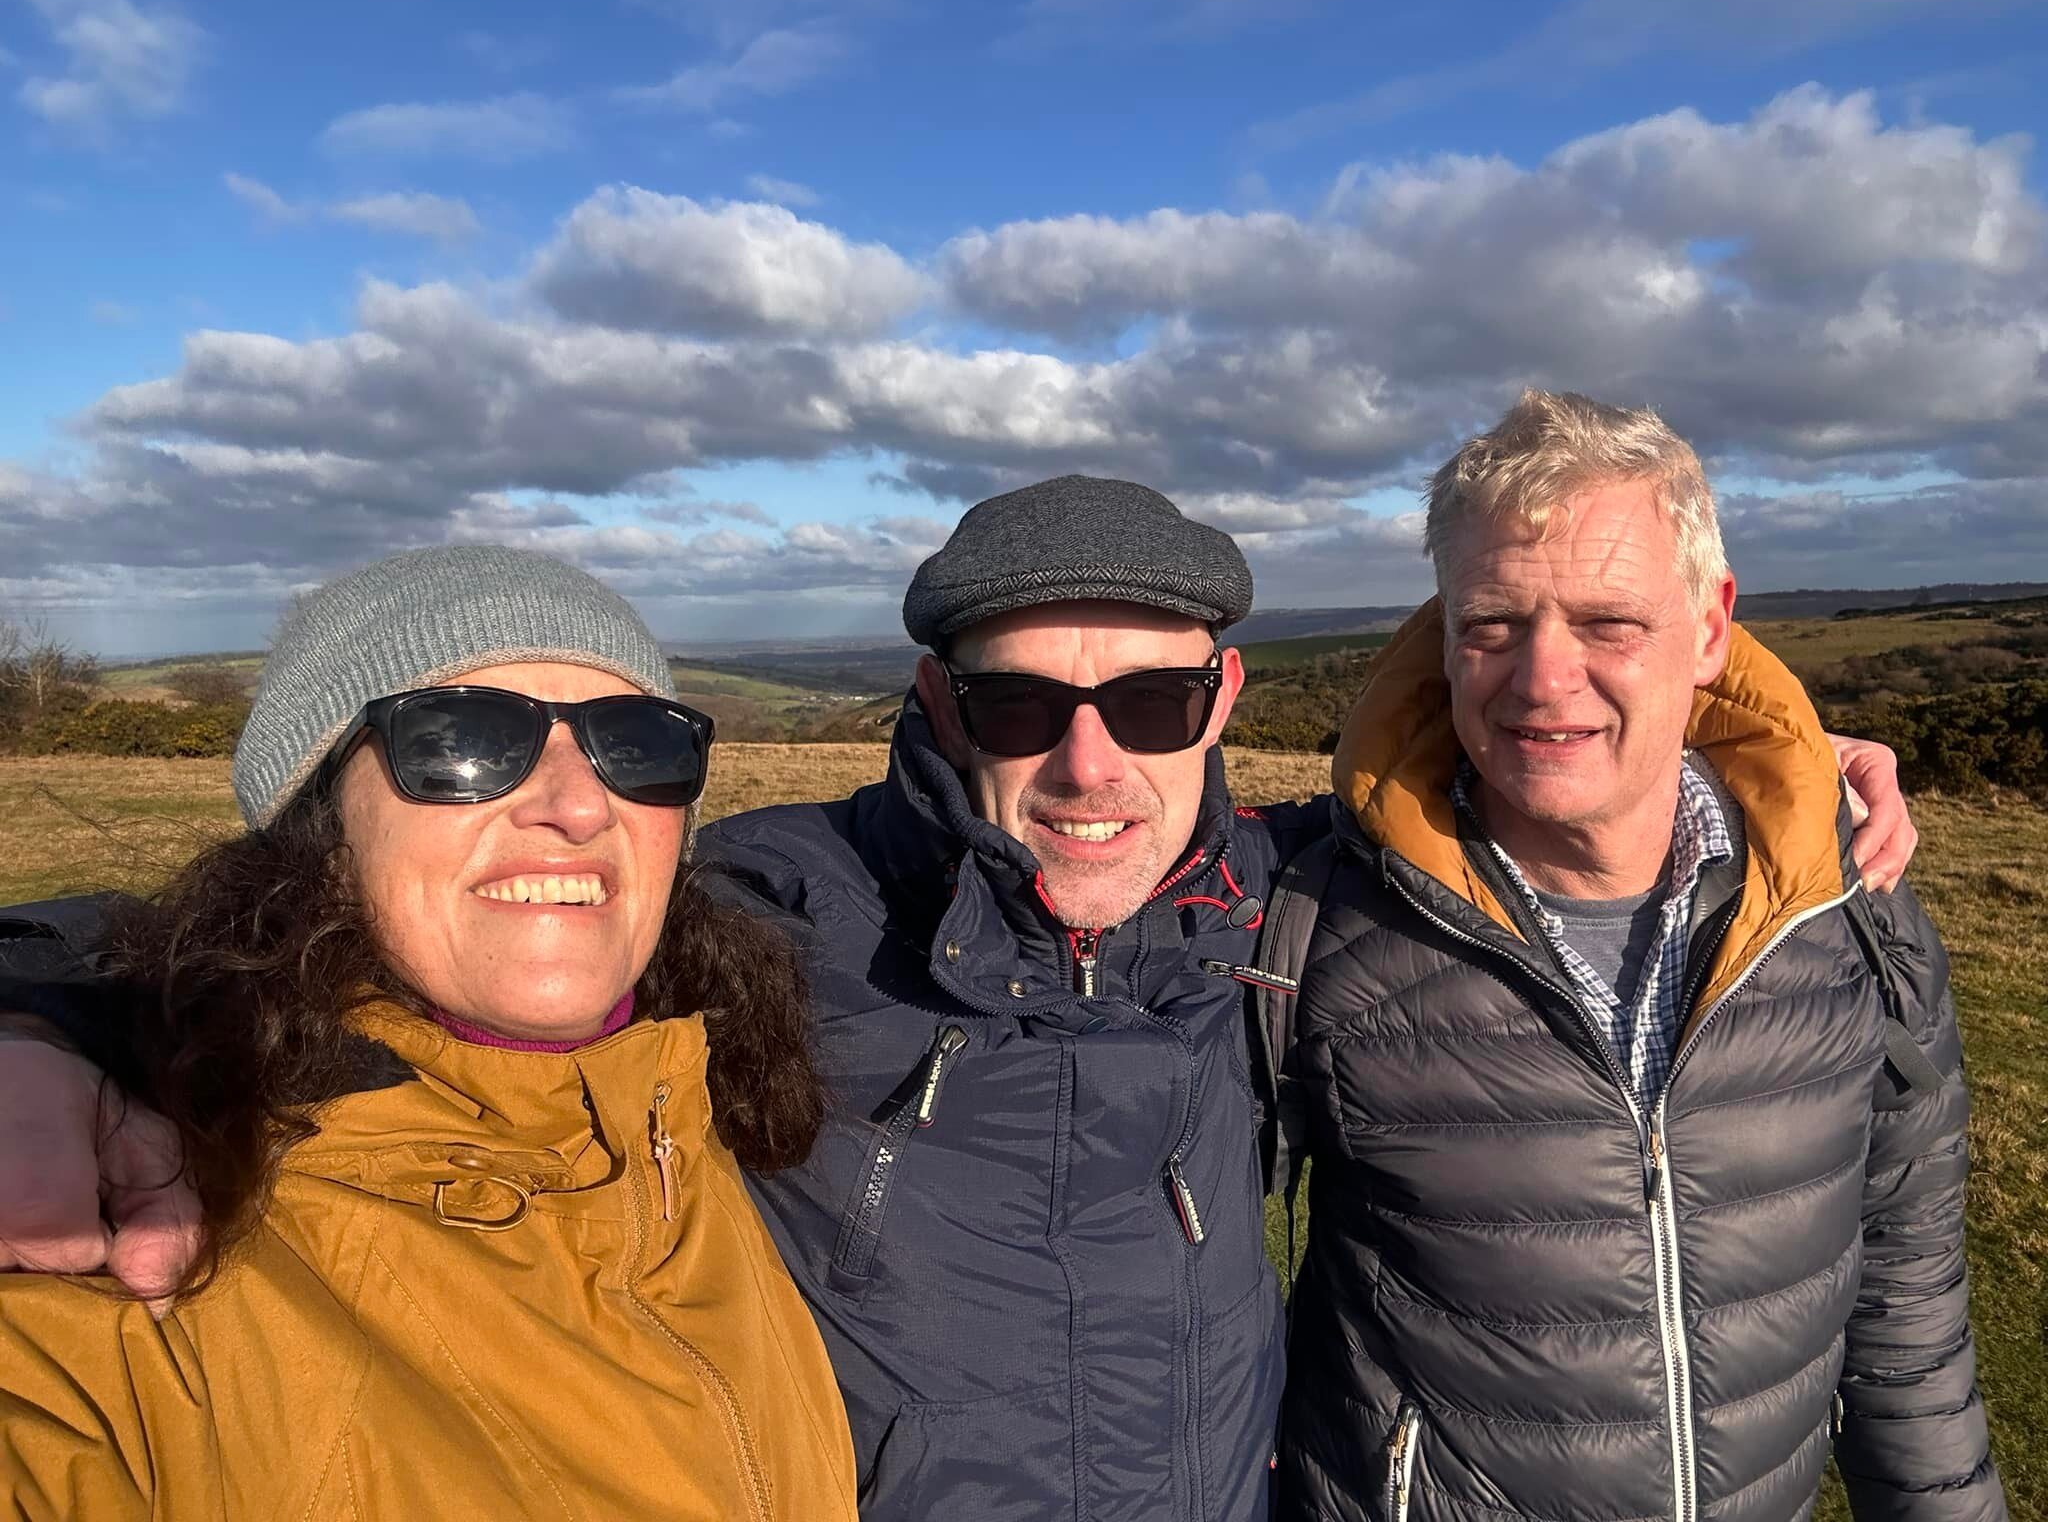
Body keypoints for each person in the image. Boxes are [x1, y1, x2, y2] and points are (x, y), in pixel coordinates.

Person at [0, 480, 1921, 1522]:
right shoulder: (771, 909)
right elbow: (353, 922)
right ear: (935, 714)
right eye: (1018, 706)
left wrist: (1762, 759)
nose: (1089, 765)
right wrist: (30, 1024)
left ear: (1225, 710)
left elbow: (1538, 793)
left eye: (1151, 705)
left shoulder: (1286, 896)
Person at [0, 546, 858, 1520]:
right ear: (319, 825)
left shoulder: (708, 1117)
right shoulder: (141, 1237)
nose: (577, 806)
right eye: (463, 739)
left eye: (639, 743)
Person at [1273, 393, 2003, 1522]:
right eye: (1491, 625)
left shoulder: (1852, 909)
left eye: (1607, 623)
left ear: (1709, 629)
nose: (1540, 680)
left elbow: (1905, 1311)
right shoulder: (1318, 916)